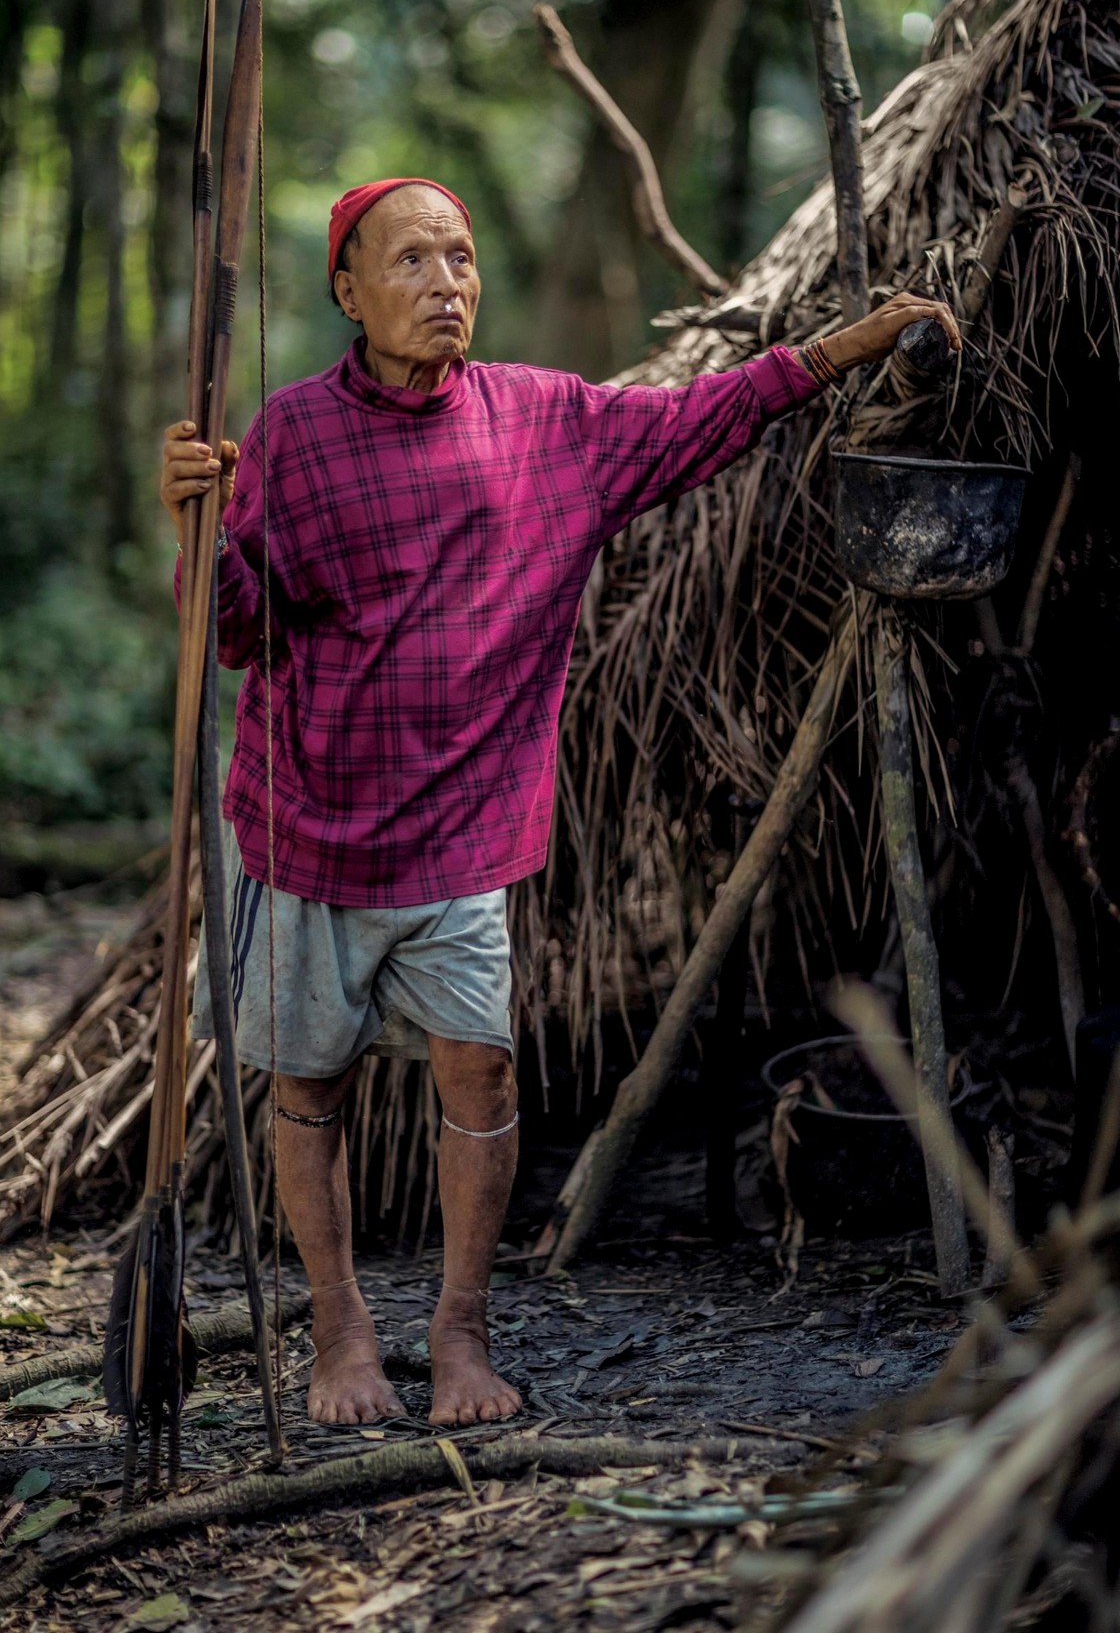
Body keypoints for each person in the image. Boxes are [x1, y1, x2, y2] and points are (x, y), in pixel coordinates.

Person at [159, 177, 961, 1429]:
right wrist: (194, 528)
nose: (446, 285)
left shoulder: (549, 423)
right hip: (303, 831)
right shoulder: (295, 436)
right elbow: (238, 633)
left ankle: (462, 1333)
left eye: (462, 258)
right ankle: (338, 1330)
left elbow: (709, 413)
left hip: (465, 838)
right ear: (348, 290)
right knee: (308, 1092)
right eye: (412, 262)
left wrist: (837, 350)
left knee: (479, 1078)